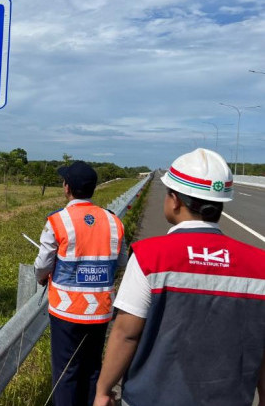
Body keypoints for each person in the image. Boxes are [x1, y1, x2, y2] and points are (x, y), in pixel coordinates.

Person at [93, 148, 265, 406]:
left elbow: (126, 334)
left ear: (174, 200)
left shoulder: (149, 256)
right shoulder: (259, 264)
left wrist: (103, 390)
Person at [34, 160, 127, 406]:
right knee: (93, 369)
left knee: (66, 374)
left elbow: (43, 263)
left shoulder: (58, 221)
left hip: (67, 310)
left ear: (67, 188)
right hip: (101, 310)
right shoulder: (113, 221)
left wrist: (42, 277)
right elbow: (121, 261)